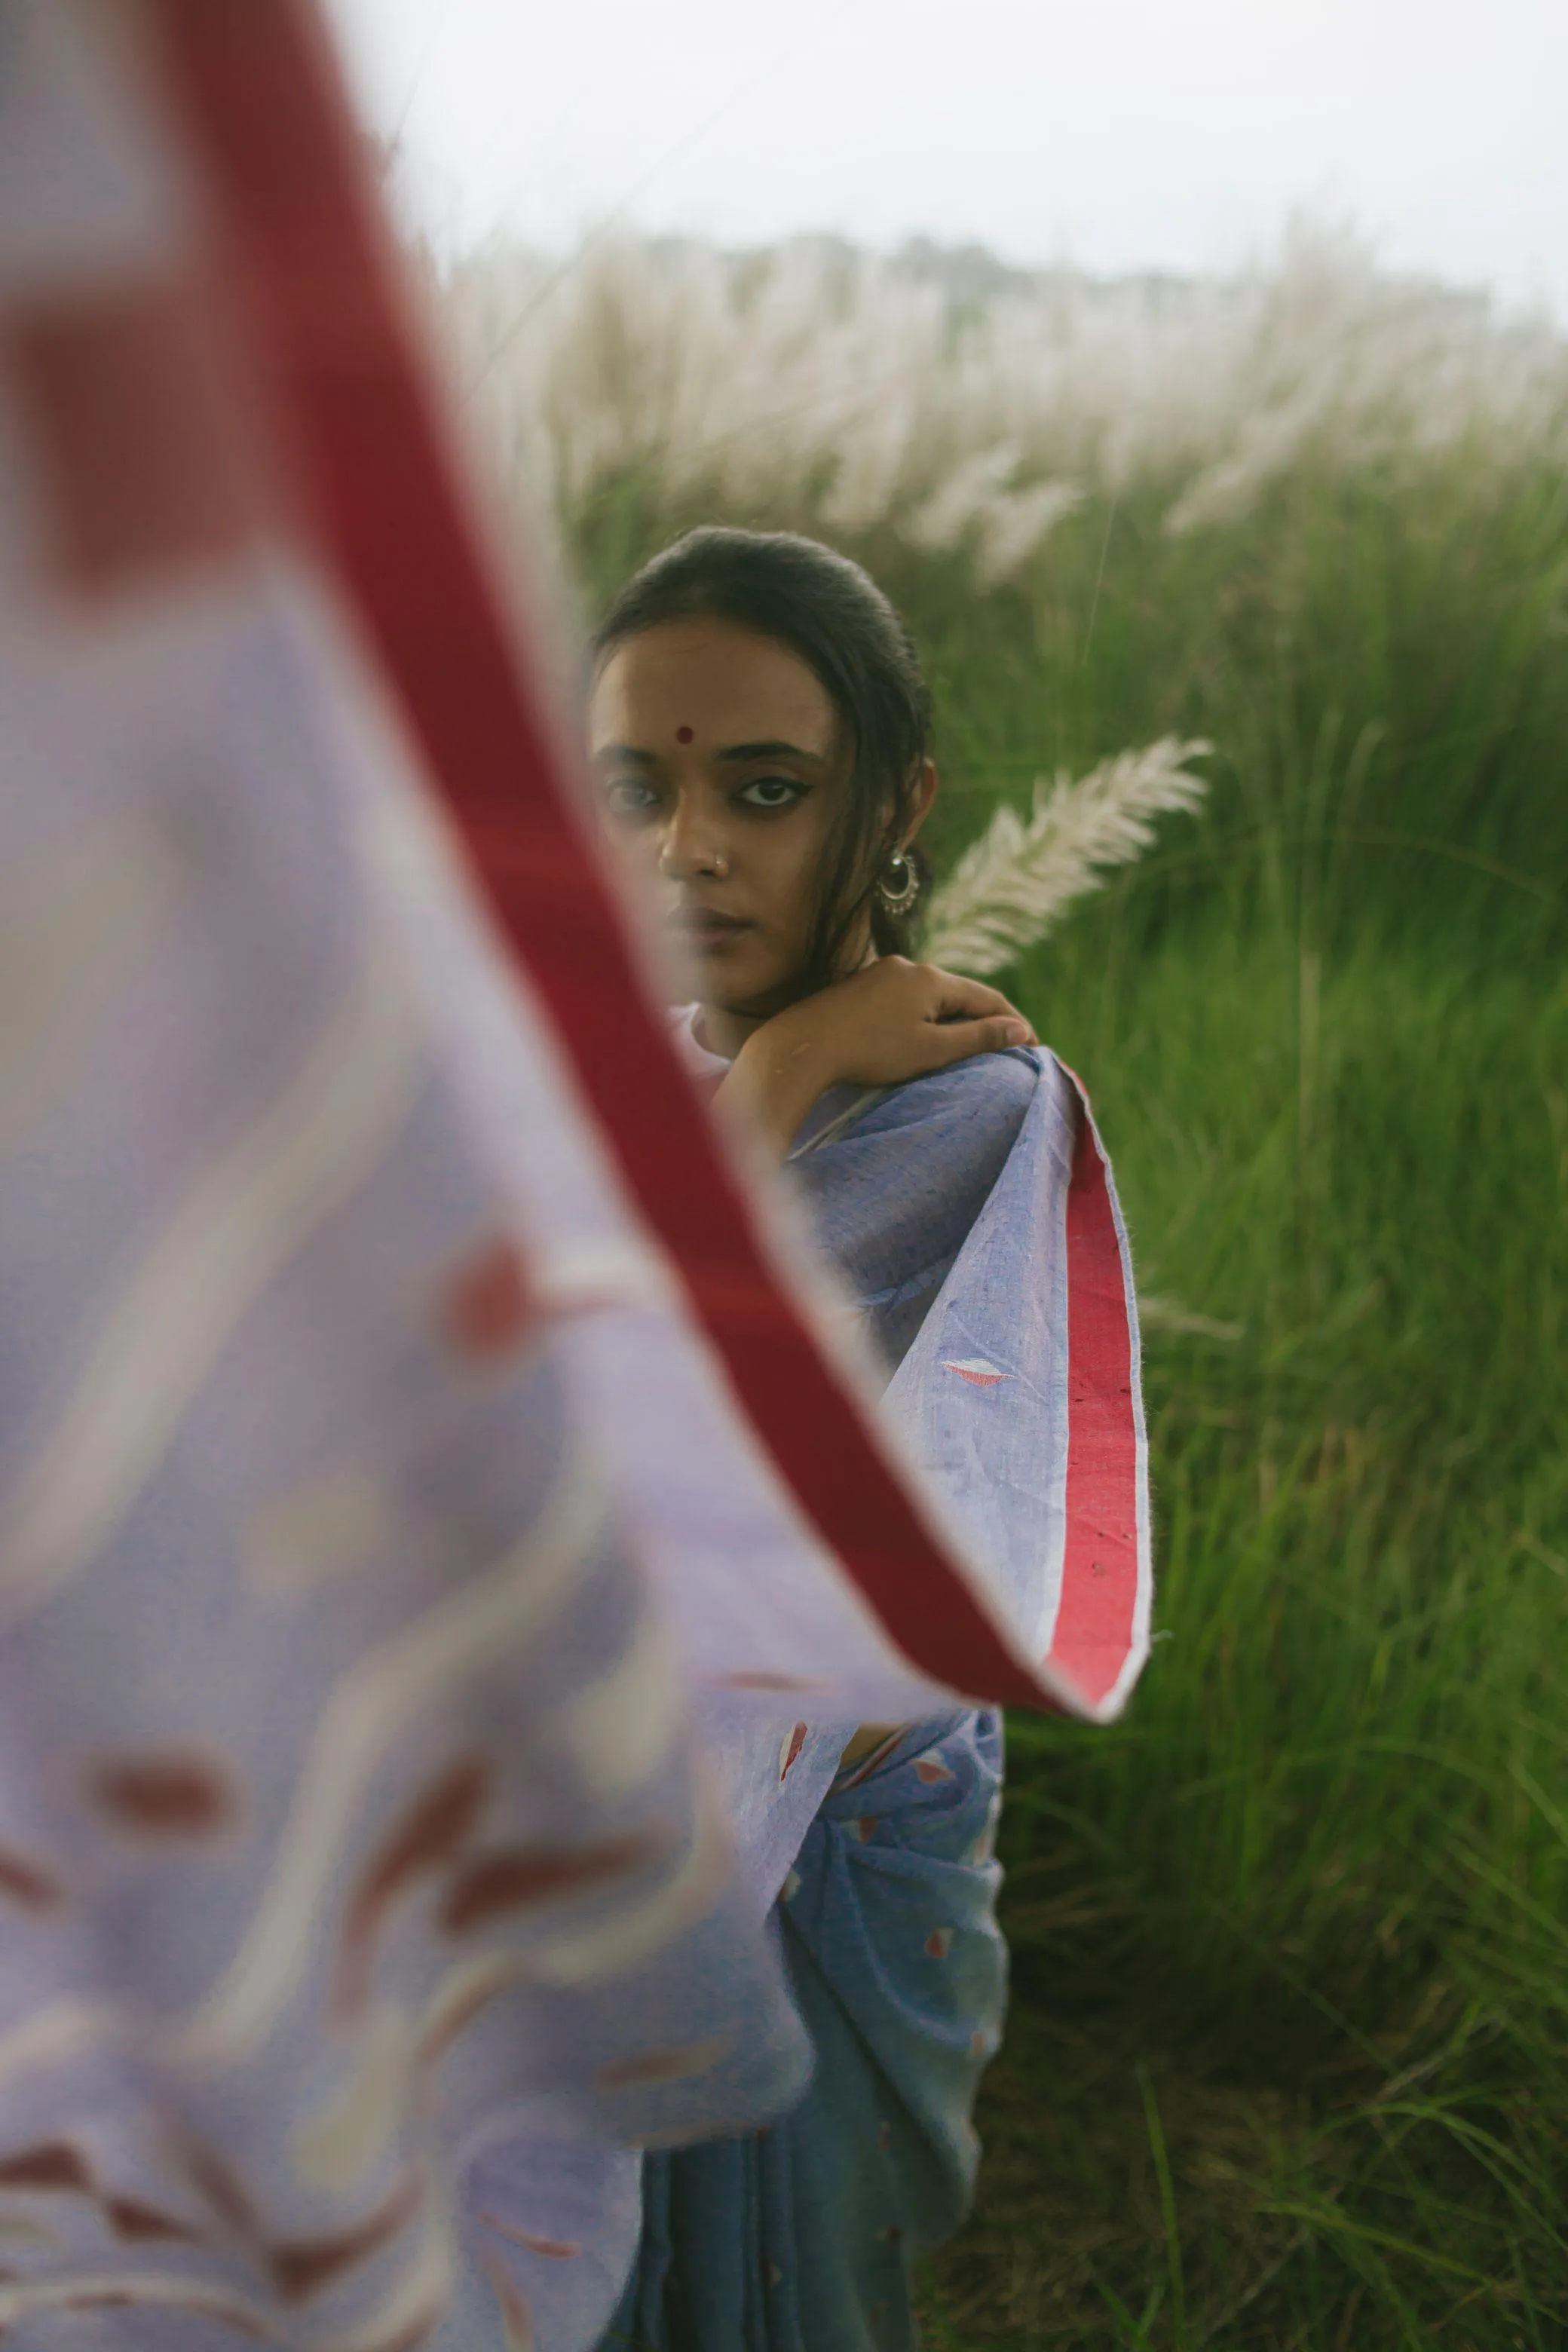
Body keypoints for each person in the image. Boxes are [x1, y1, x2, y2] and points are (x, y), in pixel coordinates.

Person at [587, 527, 1052, 2352]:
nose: (685, 848)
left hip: (844, 1816)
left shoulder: (971, 1115)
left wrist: (778, 1081)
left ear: (897, 798)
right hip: (614, 1797)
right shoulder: (619, 1059)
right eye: (638, 784)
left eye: (765, 791)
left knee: (787, 2279)